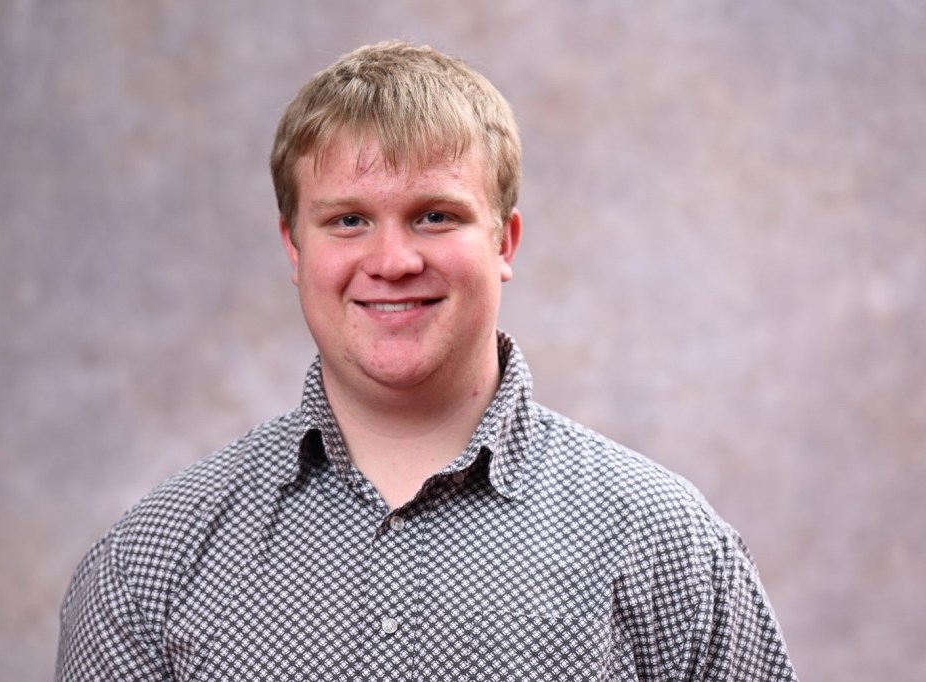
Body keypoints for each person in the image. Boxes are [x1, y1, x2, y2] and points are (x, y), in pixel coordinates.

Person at [55, 41, 798, 680]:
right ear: (294, 247)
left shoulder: (670, 548)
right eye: (349, 220)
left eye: (434, 216)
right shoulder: (147, 568)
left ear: (504, 242)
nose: (393, 261)